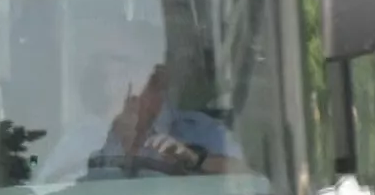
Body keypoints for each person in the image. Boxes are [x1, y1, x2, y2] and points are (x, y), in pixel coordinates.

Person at [34, 16, 247, 184]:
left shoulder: (202, 132)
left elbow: (248, 184)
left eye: (126, 65)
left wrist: (195, 160)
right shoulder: (83, 138)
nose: (117, 76)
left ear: (159, 74)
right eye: (108, 66)